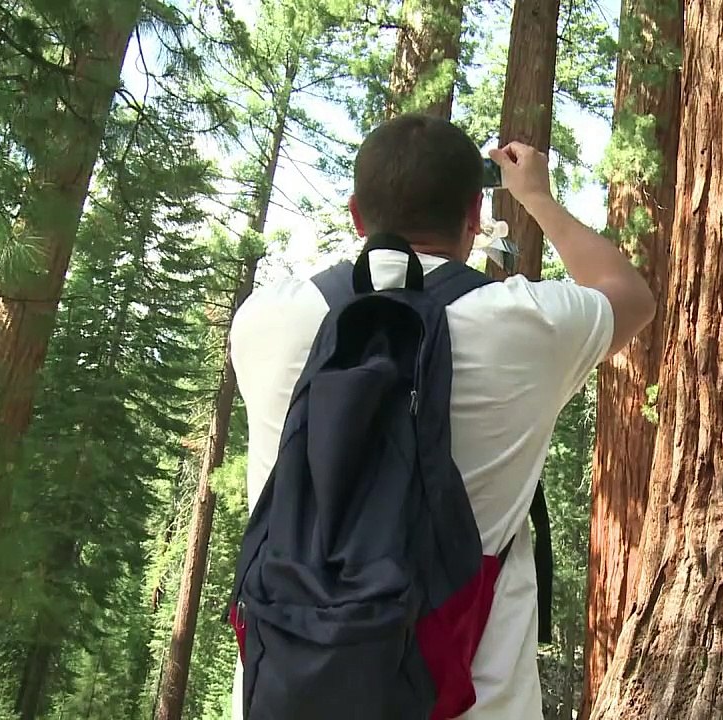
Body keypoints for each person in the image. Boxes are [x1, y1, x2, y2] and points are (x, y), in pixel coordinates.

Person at [227, 114, 655, 719]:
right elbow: (631, 296)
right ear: (474, 215)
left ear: (357, 216)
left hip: (286, 690)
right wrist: (537, 197)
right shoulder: (527, 323)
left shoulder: (265, 319)